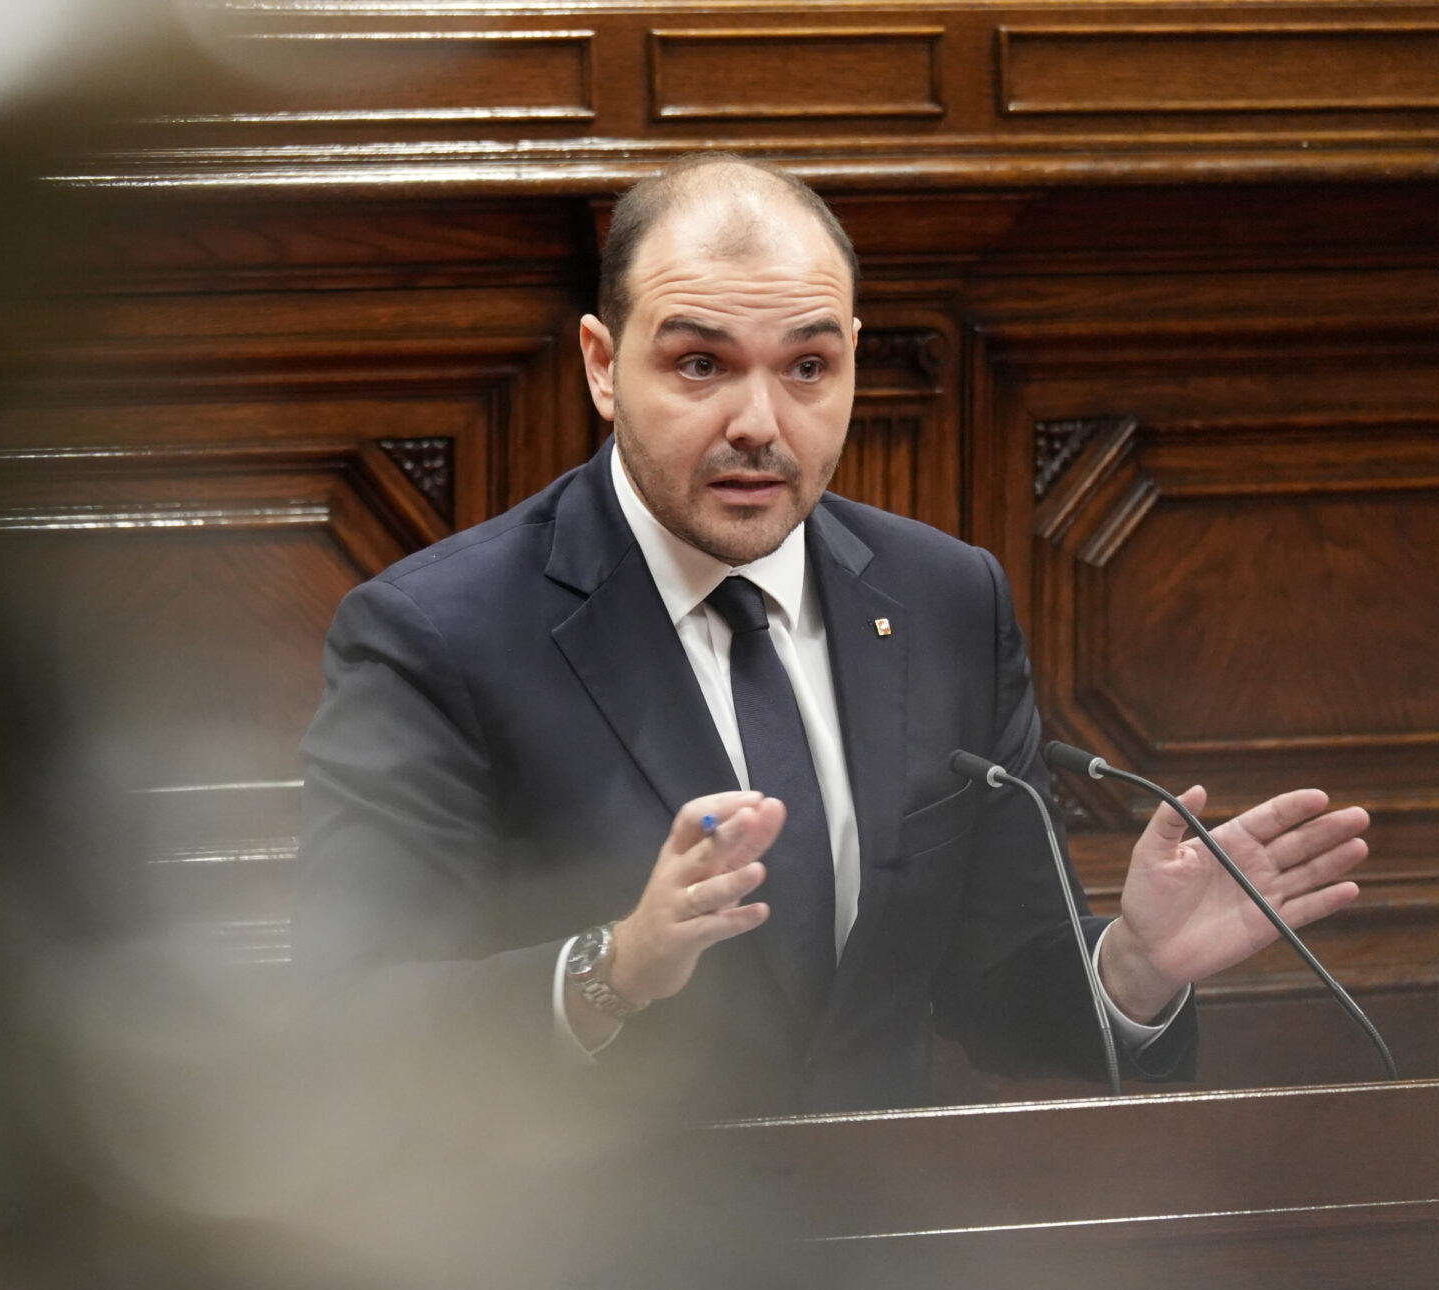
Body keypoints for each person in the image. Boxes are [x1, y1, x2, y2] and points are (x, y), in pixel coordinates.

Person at [295, 155, 1370, 1118]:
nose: (759, 423)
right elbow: (353, 1026)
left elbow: (995, 989)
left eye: (806, 367)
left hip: (881, 1253)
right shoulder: (438, 635)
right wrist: (611, 970)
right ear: (602, 365)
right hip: (586, 1267)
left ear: (851, 360)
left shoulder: (946, 599)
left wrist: (1135, 964)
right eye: (701, 364)